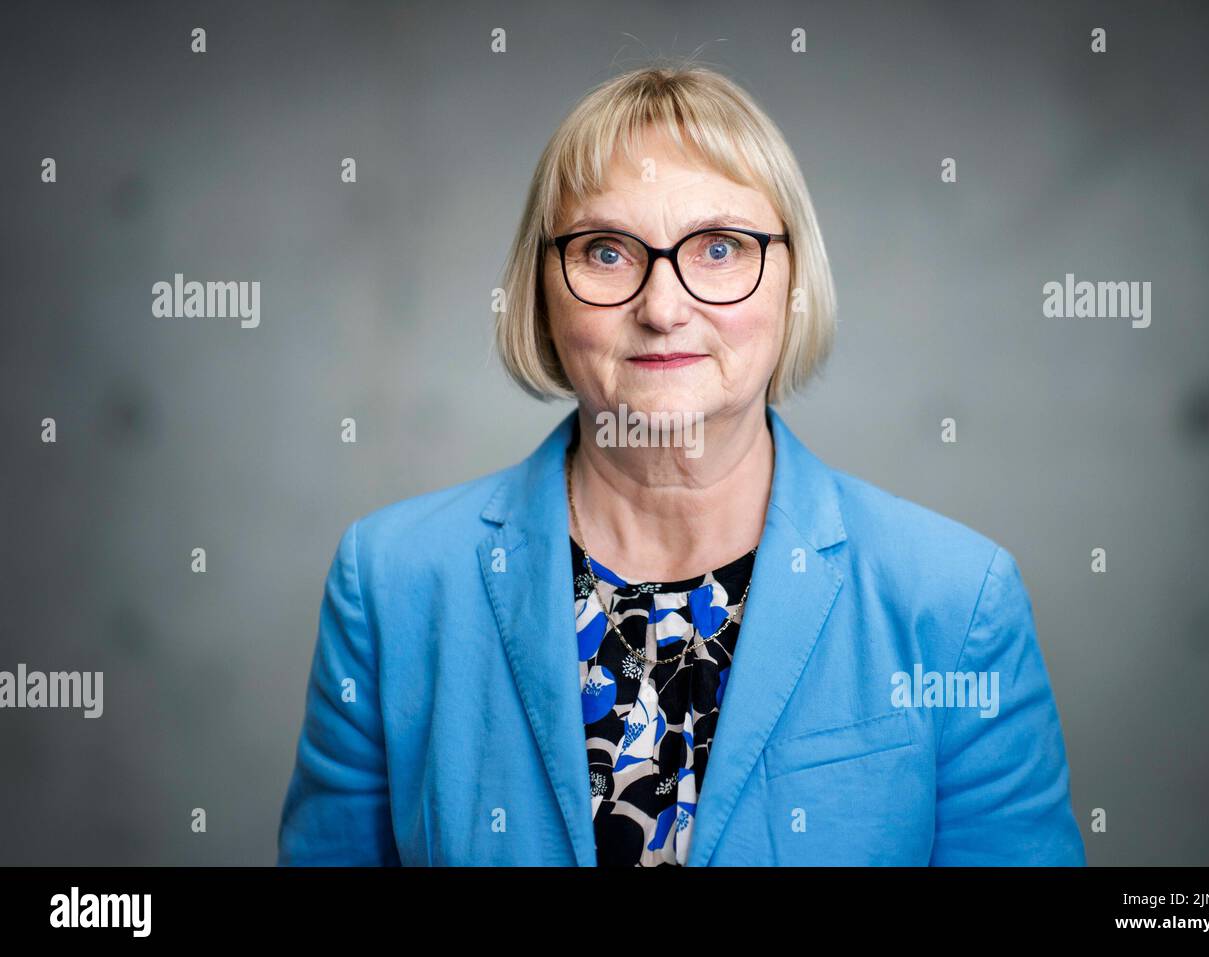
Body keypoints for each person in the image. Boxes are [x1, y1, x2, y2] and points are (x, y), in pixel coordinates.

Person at [277, 62, 1086, 867]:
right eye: (605, 251)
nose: (663, 308)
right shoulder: (391, 584)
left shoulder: (954, 601)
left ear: (793, 284)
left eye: (720, 247)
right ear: (541, 294)